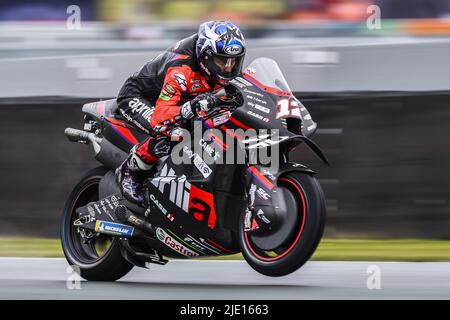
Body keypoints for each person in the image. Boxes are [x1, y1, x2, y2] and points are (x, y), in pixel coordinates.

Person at [115, 21, 246, 203]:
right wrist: (191, 107)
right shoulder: (181, 69)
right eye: (222, 61)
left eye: (234, 61)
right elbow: (160, 116)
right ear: (205, 56)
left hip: (178, 98)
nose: (228, 68)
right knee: (172, 131)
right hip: (139, 96)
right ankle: (130, 172)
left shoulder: (216, 65)